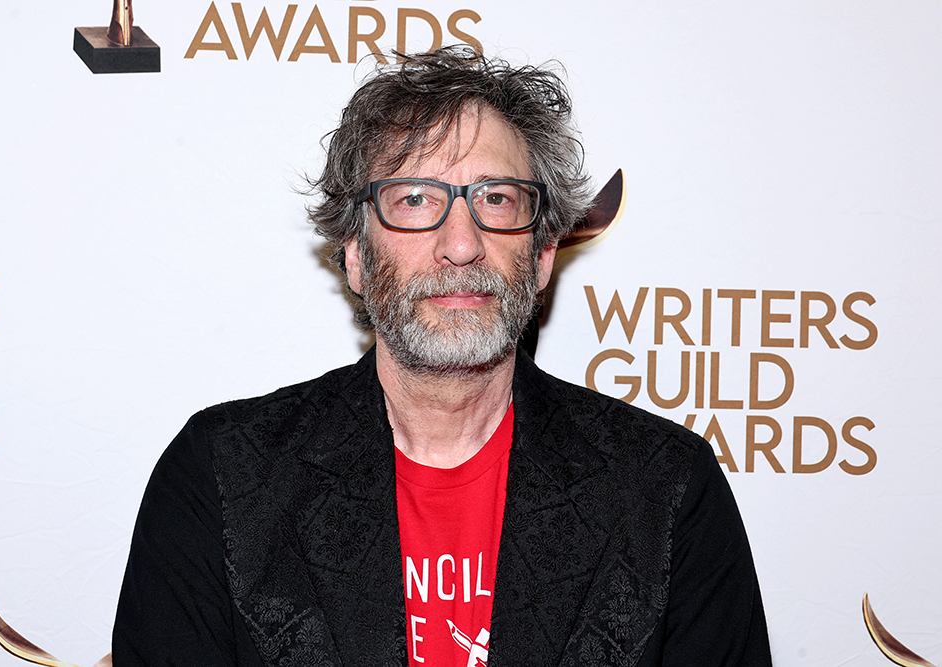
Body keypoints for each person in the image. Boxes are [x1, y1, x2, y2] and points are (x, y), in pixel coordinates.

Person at [112, 46, 771, 667]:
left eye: (496, 199)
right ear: (355, 254)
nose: (461, 243)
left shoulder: (665, 489)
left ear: (542, 255)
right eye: (416, 199)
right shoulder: (221, 475)